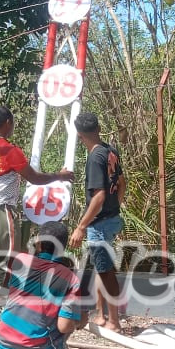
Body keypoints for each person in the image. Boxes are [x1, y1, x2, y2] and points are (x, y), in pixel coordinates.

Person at [0, 106, 73, 323]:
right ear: (8, 122)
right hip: (0, 209)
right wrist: (60, 176)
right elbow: (34, 178)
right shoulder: (9, 150)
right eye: (13, 122)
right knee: (7, 258)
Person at [0, 221, 85, 349]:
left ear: (38, 244)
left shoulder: (19, 260)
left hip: (3, 345)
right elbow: (64, 326)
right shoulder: (70, 278)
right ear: (63, 248)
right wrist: (80, 321)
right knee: (68, 318)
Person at [68, 112, 126, 332]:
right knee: (101, 269)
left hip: (99, 223)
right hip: (111, 219)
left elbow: (99, 196)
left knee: (106, 271)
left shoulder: (94, 157)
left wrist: (81, 226)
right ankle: (100, 315)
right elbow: (121, 183)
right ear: (98, 129)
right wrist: (115, 207)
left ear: (80, 135)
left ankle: (114, 321)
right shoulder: (110, 150)